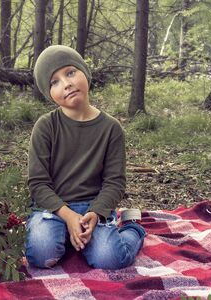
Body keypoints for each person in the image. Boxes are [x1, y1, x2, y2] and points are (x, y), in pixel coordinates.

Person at [26, 45, 146, 270]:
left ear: (85, 73)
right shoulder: (45, 127)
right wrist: (68, 217)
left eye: (70, 72)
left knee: (109, 258)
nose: (66, 83)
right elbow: (38, 183)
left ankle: (133, 228)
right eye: (55, 82)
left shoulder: (111, 128)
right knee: (41, 253)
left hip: (93, 208)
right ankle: (67, 237)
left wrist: (96, 212)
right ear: (49, 93)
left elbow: (115, 182)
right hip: (53, 208)